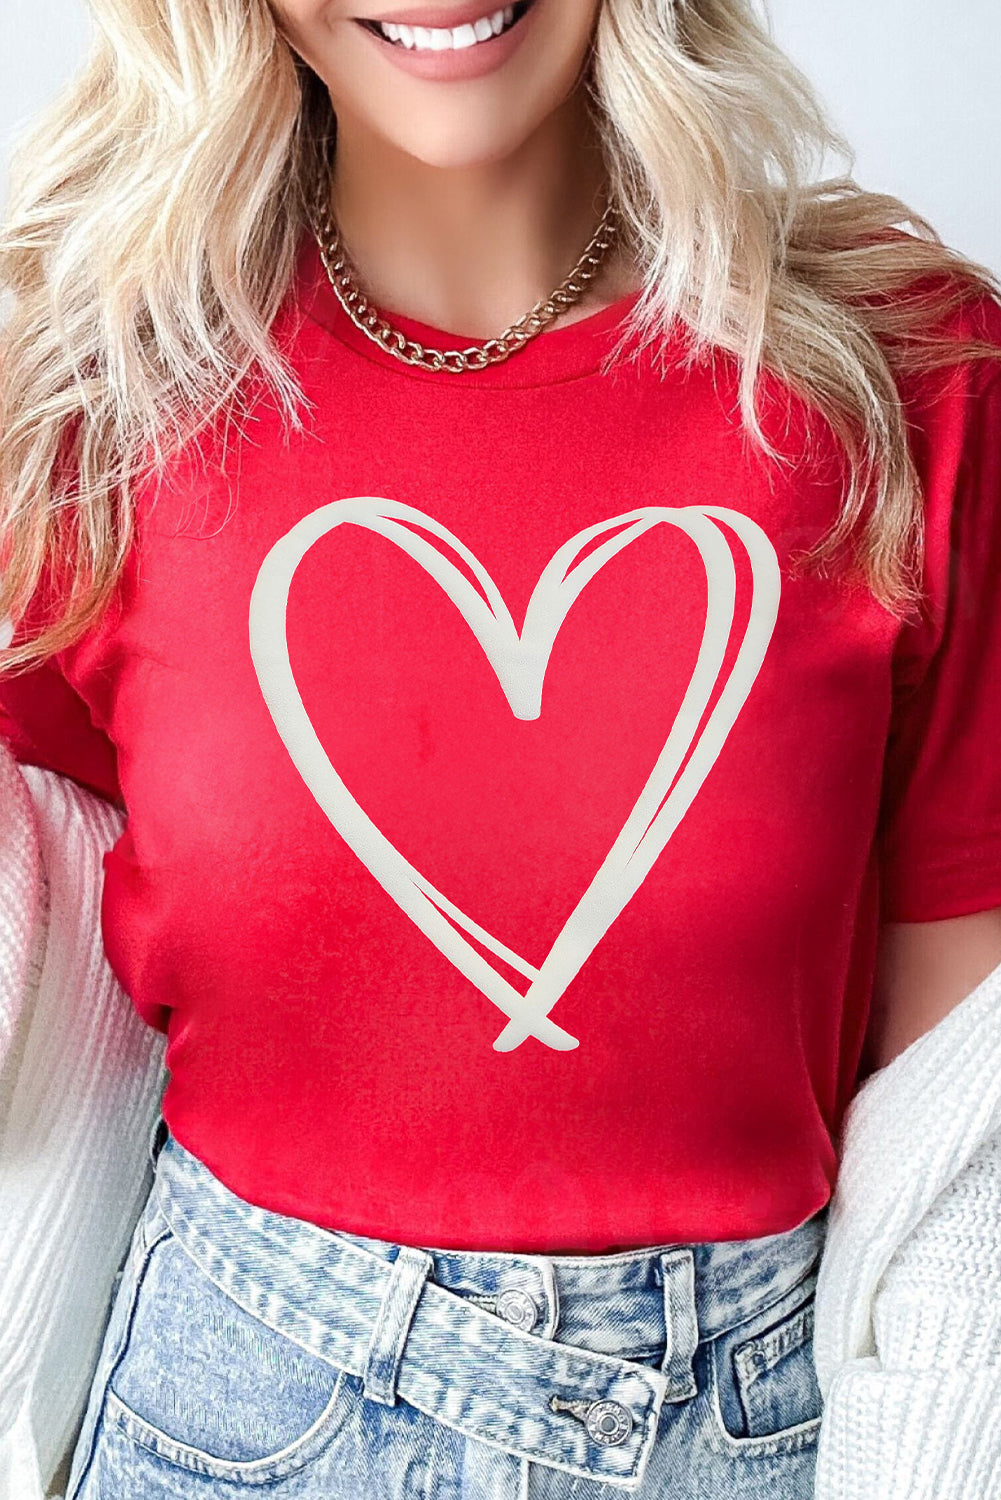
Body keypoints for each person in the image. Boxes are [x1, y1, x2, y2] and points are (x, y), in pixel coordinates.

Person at [1, 0, 1000, 1495]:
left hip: (755, 1428)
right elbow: (57, 973)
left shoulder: (904, 374)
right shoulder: (95, 401)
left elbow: (966, 1073)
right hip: (235, 1414)